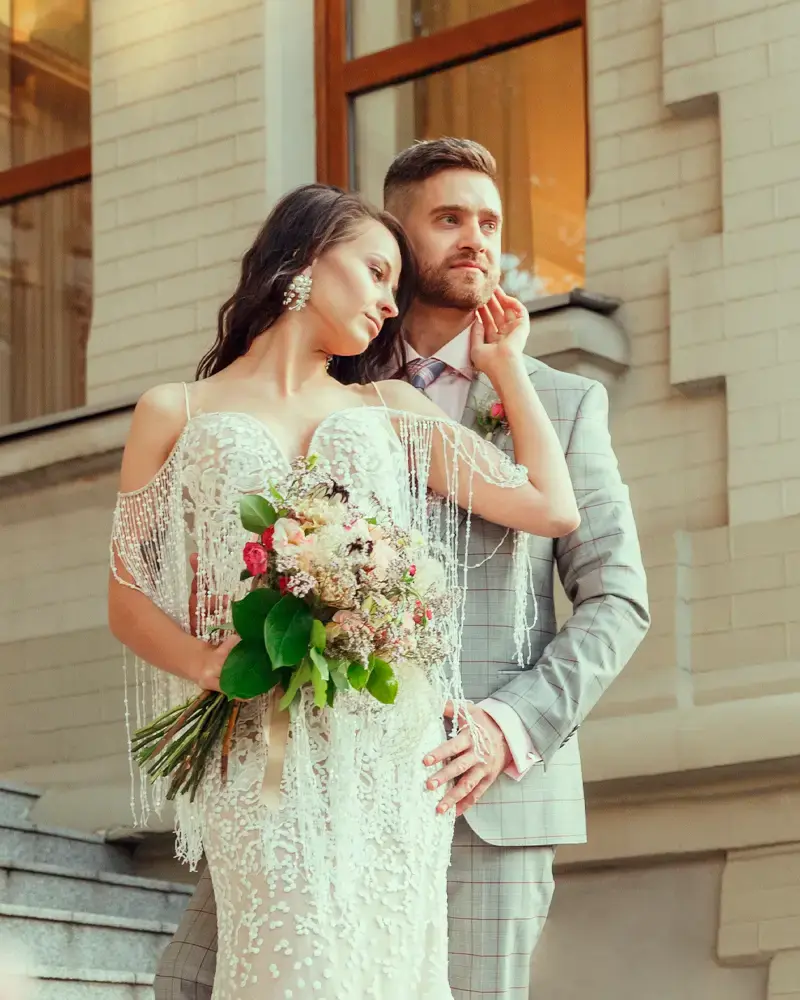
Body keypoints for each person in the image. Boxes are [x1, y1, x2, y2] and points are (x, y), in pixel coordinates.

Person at [109, 182, 580, 1000]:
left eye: (397, 282)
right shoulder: (173, 410)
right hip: (259, 748)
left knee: (385, 970)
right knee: (289, 969)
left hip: (392, 751)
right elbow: (125, 597)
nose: (391, 304)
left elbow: (551, 507)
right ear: (303, 259)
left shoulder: (388, 407)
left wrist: (505, 365)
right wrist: (208, 665)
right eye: (375, 272)